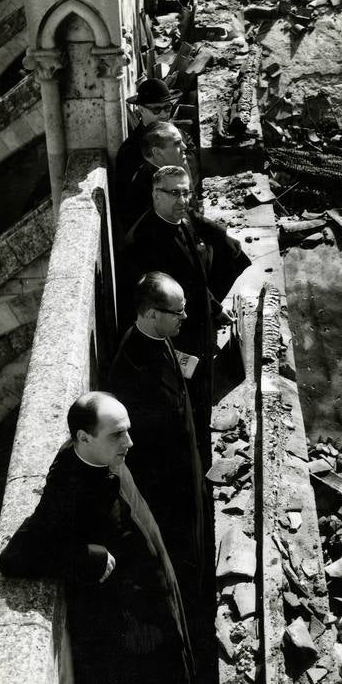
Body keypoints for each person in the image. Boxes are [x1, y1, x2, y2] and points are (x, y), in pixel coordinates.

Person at [0, 392, 194, 684]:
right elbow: (15, 557)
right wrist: (88, 558)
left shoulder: (105, 455)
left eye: (127, 430)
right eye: (117, 434)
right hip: (134, 619)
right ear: (83, 438)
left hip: (158, 589)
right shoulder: (69, 483)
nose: (129, 442)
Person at [124, 166, 250, 467]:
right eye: (174, 193)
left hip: (198, 332)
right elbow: (156, 308)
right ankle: (195, 461)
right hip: (178, 339)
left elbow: (197, 275)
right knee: (186, 406)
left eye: (186, 192)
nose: (182, 199)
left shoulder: (181, 219)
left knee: (201, 397)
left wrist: (215, 308)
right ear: (156, 194)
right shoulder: (145, 240)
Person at [109, 272, 207, 611]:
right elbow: (144, 447)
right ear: (152, 313)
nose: (185, 318)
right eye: (177, 313)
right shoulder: (132, 366)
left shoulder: (158, 337)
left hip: (184, 468)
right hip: (168, 487)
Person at [115, 77, 181, 225]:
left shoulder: (174, 135)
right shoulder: (130, 151)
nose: (164, 114)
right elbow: (130, 207)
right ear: (141, 110)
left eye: (167, 107)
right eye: (156, 109)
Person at [118, 121, 198, 232]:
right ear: (157, 153)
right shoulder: (154, 185)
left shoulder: (161, 173)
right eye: (177, 143)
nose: (184, 147)